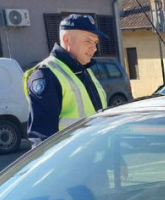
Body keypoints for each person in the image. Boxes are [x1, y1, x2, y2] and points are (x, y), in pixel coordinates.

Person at [24, 14, 108, 147]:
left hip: (96, 160)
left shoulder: (85, 71)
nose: (94, 48)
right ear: (66, 39)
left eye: (95, 42)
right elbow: (42, 140)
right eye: (88, 41)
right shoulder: (46, 75)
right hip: (72, 164)